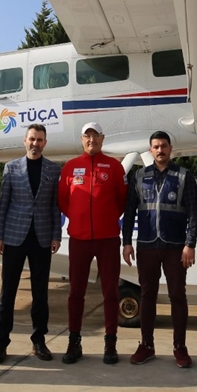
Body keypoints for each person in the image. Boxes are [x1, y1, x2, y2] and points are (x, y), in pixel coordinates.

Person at [122, 131, 197, 367]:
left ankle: (180, 347)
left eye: (164, 146)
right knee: (147, 296)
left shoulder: (184, 176)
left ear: (170, 149)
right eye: (155, 146)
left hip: (175, 247)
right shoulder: (139, 175)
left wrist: (190, 244)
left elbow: (194, 213)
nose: (160, 150)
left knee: (177, 296)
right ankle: (146, 345)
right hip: (146, 245)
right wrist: (126, 242)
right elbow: (130, 211)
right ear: (150, 150)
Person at [0, 124, 63, 364]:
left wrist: (56, 235)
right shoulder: (11, 168)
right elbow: (5, 204)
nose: (35, 143)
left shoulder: (53, 169)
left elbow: (55, 205)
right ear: (25, 141)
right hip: (13, 236)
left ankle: (39, 341)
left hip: (41, 238)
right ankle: (1, 343)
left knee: (40, 293)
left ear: (45, 143)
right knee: (7, 292)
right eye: (32, 139)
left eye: (40, 139)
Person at [59, 121, 127, 364]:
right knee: (76, 293)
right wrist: (78, 221)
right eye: (87, 136)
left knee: (111, 292)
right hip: (79, 239)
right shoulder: (70, 167)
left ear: (102, 138)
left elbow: (121, 201)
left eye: (95, 136)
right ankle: (74, 341)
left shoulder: (115, 166)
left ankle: (110, 343)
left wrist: (105, 219)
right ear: (81, 139)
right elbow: (64, 201)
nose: (91, 140)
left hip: (108, 239)